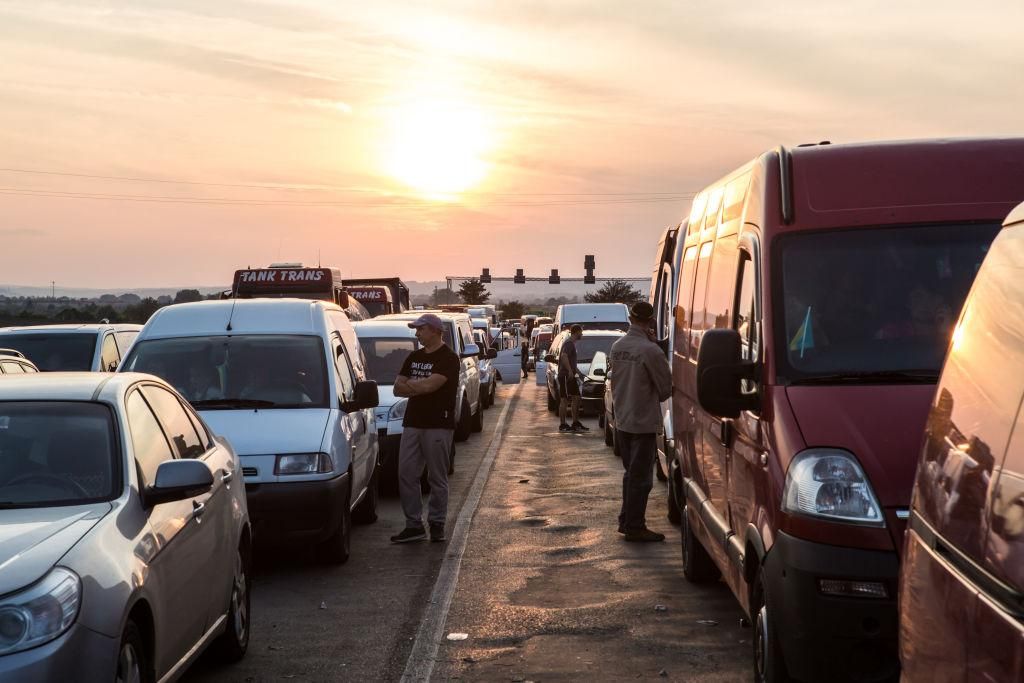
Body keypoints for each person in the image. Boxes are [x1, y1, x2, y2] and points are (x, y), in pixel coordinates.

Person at [390, 313, 461, 544]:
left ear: (433, 330)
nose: (417, 333)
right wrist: (417, 387)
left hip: (438, 424)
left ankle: (437, 523)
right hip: (413, 423)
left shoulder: (449, 358)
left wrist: (412, 385)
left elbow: (432, 385)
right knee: (406, 474)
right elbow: (396, 389)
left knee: (436, 477)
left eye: (420, 329)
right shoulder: (413, 357)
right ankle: (414, 525)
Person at [608, 301, 673, 542]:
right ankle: (635, 526)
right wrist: (655, 346)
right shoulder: (650, 351)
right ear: (650, 321)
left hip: (622, 419)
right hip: (643, 422)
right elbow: (666, 389)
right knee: (642, 477)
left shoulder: (617, 347)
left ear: (631, 320)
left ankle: (626, 520)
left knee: (630, 474)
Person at [558, 324, 588, 433]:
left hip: (571, 375)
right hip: (565, 375)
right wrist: (570, 371)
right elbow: (564, 356)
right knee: (564, 399)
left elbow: (572, 362)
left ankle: (575, 422)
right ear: (577, 332)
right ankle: (563, 424)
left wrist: (579, 373)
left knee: (576, 397)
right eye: (581, 332)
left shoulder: (572, 344)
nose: (582, 334)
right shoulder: (569, 343)